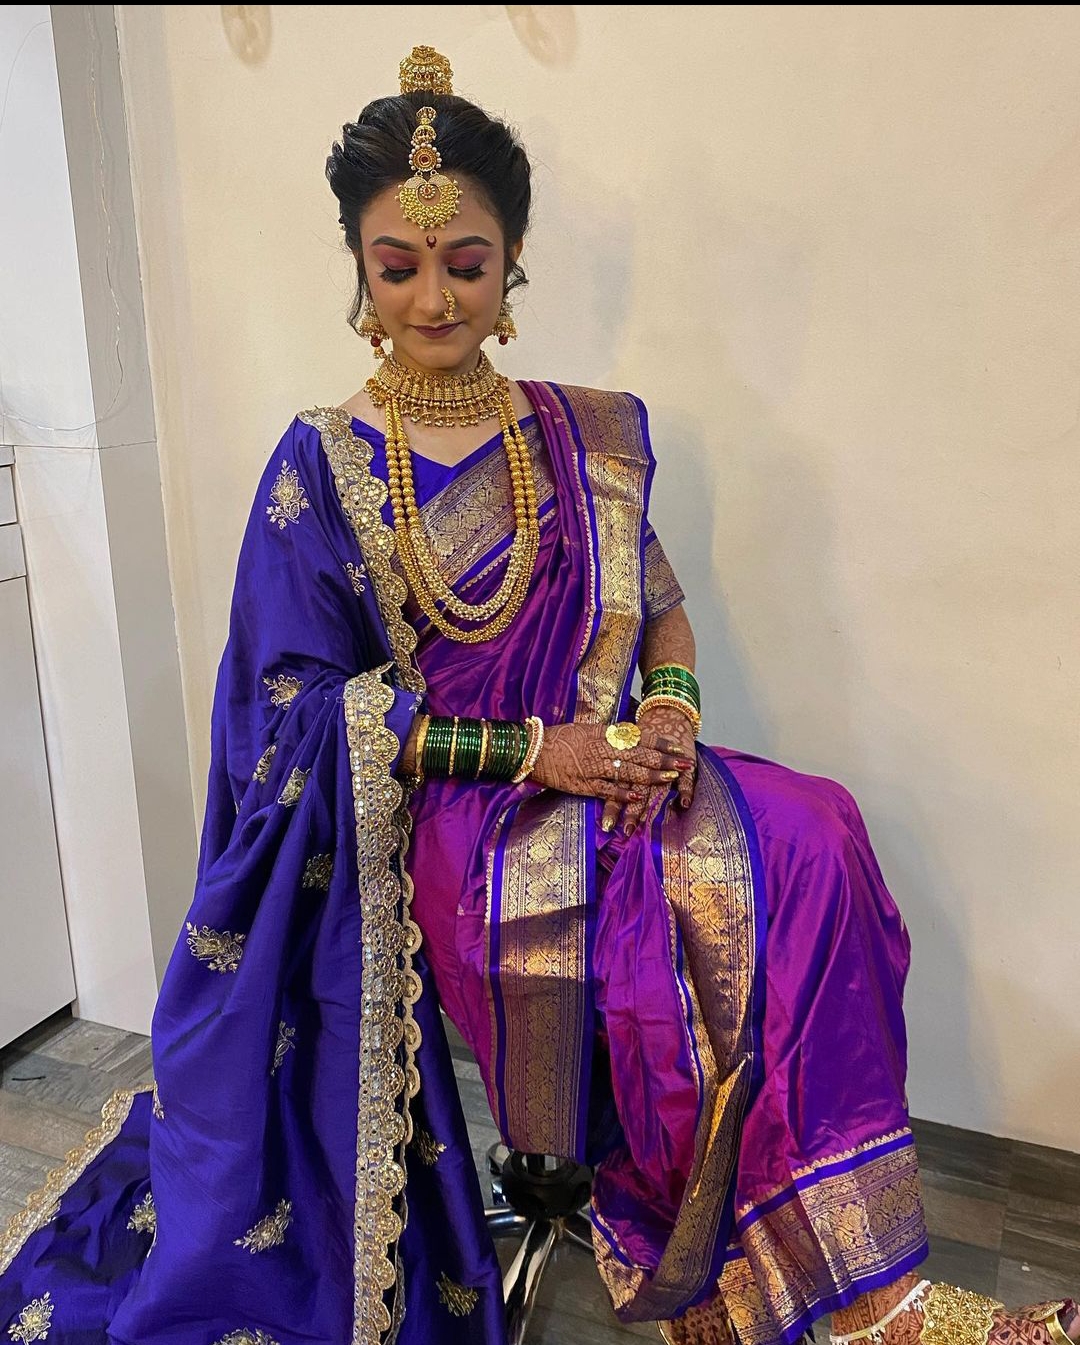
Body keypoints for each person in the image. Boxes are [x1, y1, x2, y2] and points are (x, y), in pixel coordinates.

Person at [0, 42, 1074, 1345]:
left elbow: (662, 606)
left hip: (614, 762)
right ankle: (733, 1274)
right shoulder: (321, 466)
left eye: (466, 263)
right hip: (455, 815)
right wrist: (536, 753)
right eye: (398, 265)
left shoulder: (581, 432)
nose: (434, 296)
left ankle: (853, 1281)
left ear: (511, 265)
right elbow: (292, 711)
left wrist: (668, 713)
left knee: (815, 835)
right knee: (667, 914)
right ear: (359, 272)